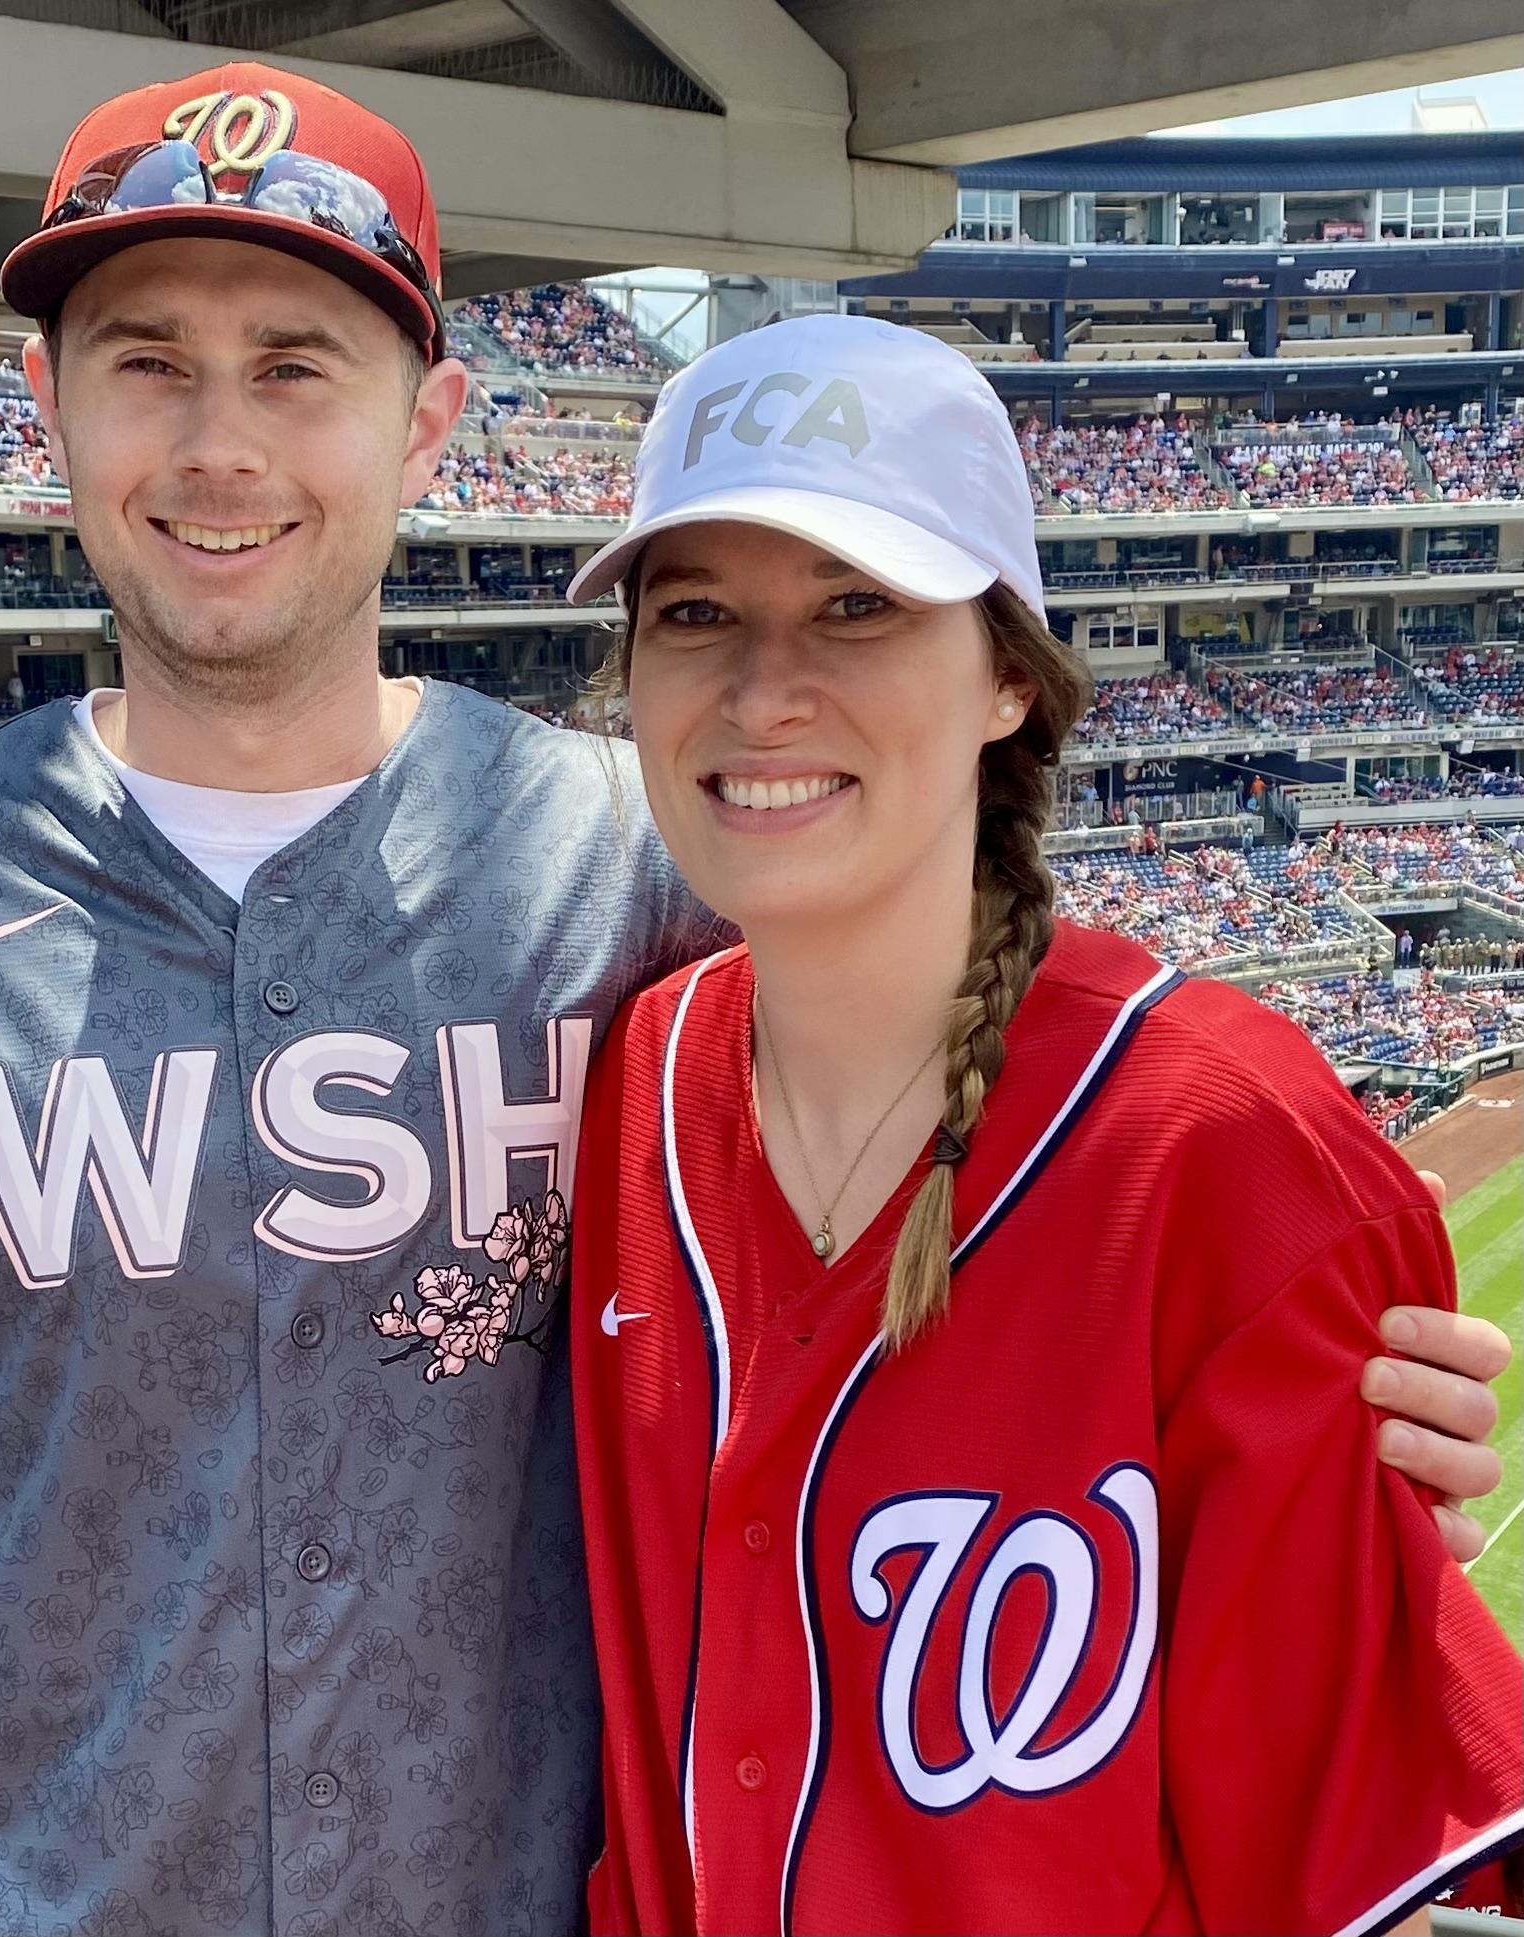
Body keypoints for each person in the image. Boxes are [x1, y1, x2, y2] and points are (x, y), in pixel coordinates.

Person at [0, 67, 1506, 1937]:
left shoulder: (635, 872)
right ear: (48, 402)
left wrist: (1323, 1390)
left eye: (294, 365)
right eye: (144, 359)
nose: (218, 444)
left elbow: (1016, 1104)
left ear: (427, 422)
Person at [562, 317, 1522, 1936]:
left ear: (1009, 673)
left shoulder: (1218, 1140)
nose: (762, 688)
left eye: (856, 606)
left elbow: (1314, 1854)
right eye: (697, 612)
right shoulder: (626, 1084)